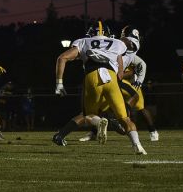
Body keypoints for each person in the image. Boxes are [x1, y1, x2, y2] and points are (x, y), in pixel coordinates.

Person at [52, 22, 146, 155]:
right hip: (112, 78)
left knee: (88, 115)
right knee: (125, 118)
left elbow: (62, 58)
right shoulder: (118, 43)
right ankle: (138, 146)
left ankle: (100, 122)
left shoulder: (83, 41)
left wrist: (59, 83)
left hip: (92, 76)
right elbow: (120, 74)